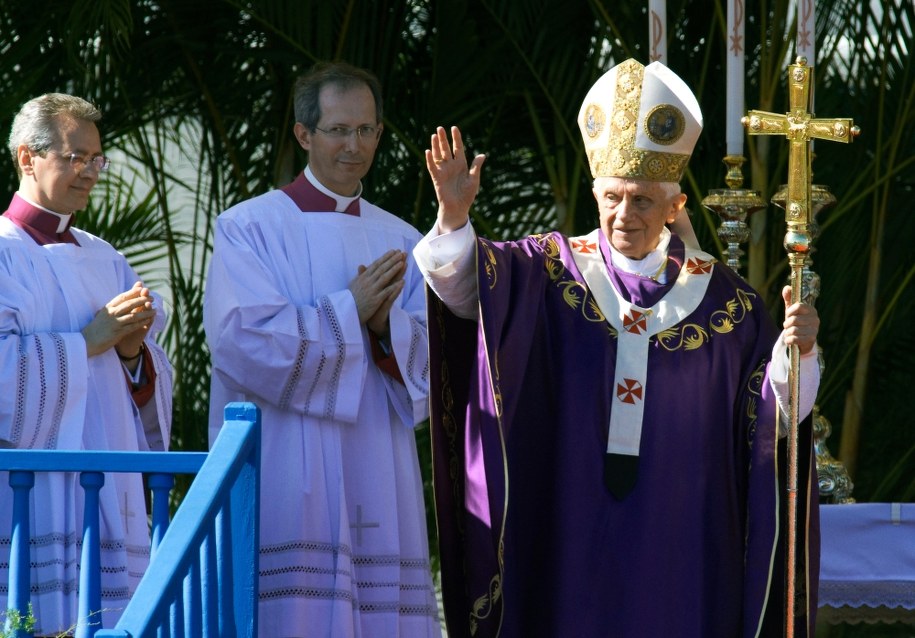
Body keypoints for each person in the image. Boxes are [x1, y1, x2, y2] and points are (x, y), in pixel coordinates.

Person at [414, 59, 822, 637]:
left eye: (641, 201)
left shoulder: (728, 307)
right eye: (612, 197)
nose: (622, 214)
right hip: (567, 531)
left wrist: (795, 354)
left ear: (676, 208)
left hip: (679, 545)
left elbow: (768, 418)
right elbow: (465, 298)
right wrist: (454, 219)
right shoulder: (547, 270)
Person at [204, 61, 441, 637]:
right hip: (286, 456)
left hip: (377, 456)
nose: (353, 146)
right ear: (304, 134)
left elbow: (436, 357)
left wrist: (388, 331)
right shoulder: (248, 227)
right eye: (337, 130)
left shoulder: (404, 239)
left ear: (380, 133)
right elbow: (239, 339)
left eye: (366, 130)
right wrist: (347, 312)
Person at [0, 93, 173, 635]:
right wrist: (87, 341)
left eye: (96, 159)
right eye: (75, 157)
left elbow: (144, 380)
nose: (90, 172)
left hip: (108, 480)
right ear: (28, 157)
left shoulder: (107, 257)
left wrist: (131, 352)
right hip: (32, 492)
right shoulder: (2, 252)